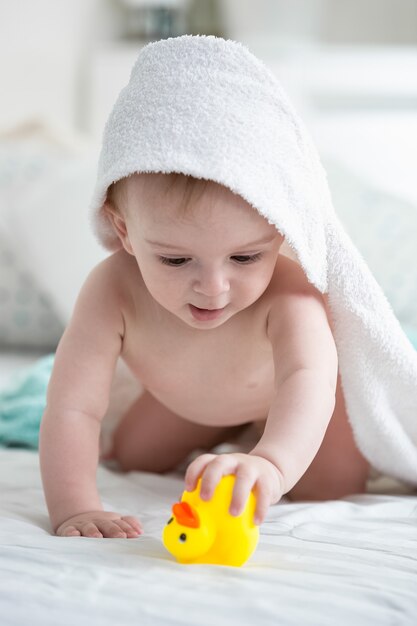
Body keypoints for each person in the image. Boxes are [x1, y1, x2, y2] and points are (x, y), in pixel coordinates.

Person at [39, 36, 371, 539]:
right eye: (175, 259)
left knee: (333, 485)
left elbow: (309, 379)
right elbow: (73, 406)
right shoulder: (112, 292)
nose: (213, 289)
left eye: (246, 256)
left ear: (282, 230)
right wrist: (75, 506)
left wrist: (273, 464)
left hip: (293, 397)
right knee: (131, 455)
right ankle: (226, 429)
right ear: (125, 231)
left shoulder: (290, 294)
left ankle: (254, 435)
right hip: (191, 403)